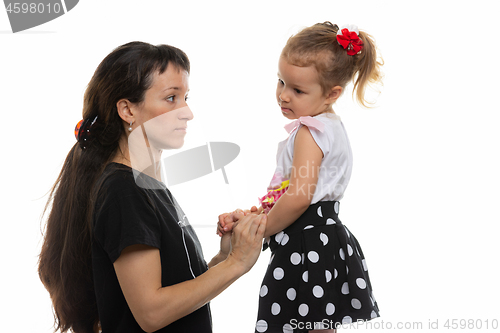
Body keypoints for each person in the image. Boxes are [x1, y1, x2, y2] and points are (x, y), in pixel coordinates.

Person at [38, 41, 267, 333]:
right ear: (127, 110)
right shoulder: (123, 192)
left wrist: (225, 255)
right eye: (171, 98)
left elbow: (175, 295)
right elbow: (152, 312)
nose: (187, 112)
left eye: (185, 97)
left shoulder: (147, 187)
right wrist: (236, 263)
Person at [218, 22, 383, 332]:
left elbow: (298, 197)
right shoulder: (329, 127)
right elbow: (290, 193)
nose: (283, 95)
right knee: (318, 323)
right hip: (322, 237)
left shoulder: (310, 131)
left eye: (297, 90)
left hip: (307, 242)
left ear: (332, 93)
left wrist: (260, 230)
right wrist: (252, 217)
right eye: (281, 82)